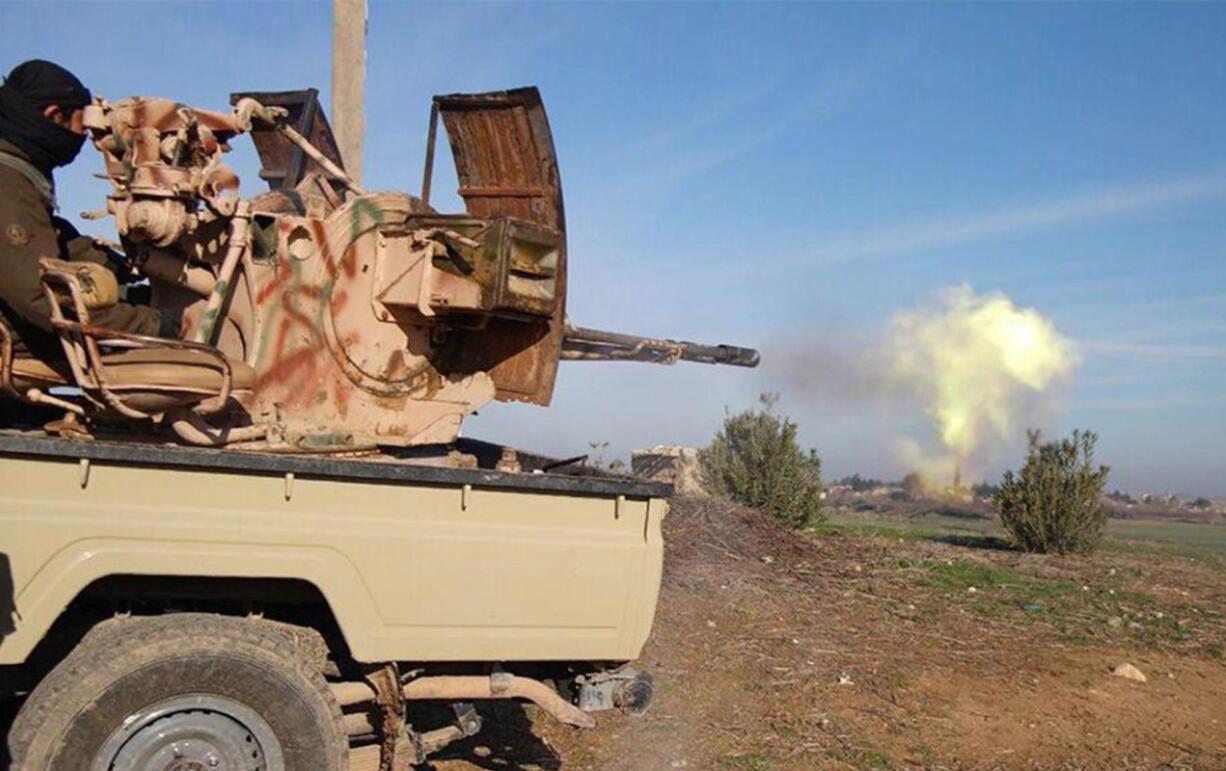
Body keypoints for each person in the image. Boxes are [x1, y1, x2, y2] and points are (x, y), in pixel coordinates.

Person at [0, 59, 163, 362]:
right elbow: (39, 297)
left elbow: (49, 238)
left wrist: (116, 270)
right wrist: (154, 325)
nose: (84, 138)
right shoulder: (8, 185)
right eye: (81, 125)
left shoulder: (17, 171)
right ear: (54, 115)